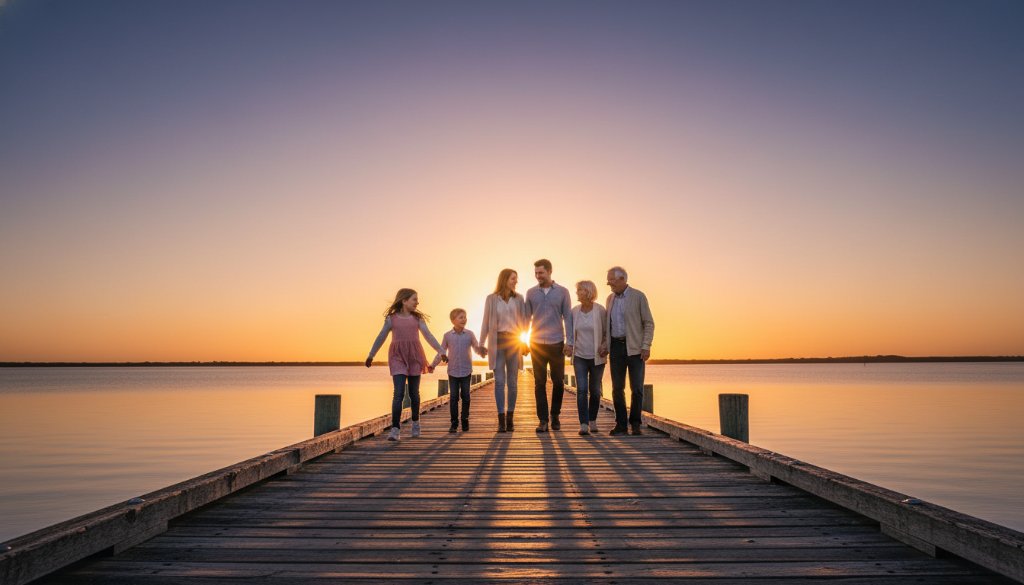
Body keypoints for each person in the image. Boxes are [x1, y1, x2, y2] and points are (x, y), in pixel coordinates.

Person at [366, 288, 446, 442]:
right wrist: (371, 355)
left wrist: (441, 351)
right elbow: (381, 336)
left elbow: (428, 336)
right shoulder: (392, 319)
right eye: (414, 299)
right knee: (398, 393)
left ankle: (416, 422)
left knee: (414, 393)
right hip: (397, 357)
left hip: (415, 356)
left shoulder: (417, 319)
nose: (418, 302)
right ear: (404, 300)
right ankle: (395, 429)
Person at [604, 266, 655, 436]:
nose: (608, 283)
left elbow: (648, 323)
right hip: (616, 347)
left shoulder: (638, 296)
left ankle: (635, 423)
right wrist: (605, 344)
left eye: (611, 280)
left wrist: (646, 345)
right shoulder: (609, 299)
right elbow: (608, 326)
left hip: (635, 347)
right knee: (617, 388)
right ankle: (621, 424)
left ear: (622, 279)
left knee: (637, 388)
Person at [526, 258, 574, 432]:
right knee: (539, 383)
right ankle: (543, 420)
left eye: (541, 272)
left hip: (556, 343)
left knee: (558, 382)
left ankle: (555, 415)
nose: (538, 276)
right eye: (536, 273)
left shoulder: (562, 292)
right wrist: (523, 342)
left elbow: (568, 317)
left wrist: (570, 342)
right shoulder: (531, 293)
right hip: (536, 344)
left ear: (549, 272)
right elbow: (526, 318)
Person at [480, 268, 529, 432]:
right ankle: (501, 419)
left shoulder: (519, 299)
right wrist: (481, 344)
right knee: (499, 382)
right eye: (513, 278)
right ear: (505, 279)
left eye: (516, 278)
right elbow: (485, 322)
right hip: (497, 342)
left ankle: (510, 418)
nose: (516, 281)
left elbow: (523, 322)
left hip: (514, 342)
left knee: (513, 382)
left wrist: (525, 341)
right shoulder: (491, 299)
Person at [431, 308, 487, 433]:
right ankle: (454, 423)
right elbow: (441, 352)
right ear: (453, 320)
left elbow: (476, 347)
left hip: (466, 370)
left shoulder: (470, 334)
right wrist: (433, 365)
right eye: (461, 317)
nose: (464, 319)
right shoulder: (447, 336)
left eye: (465, 317)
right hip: (453, 371)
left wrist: (482, 351)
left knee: (466, 397)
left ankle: (465, 419)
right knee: (454, 397)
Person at [571, 280, 609, 436]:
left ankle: (592, 419)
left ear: (587, 292)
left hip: (596, 357)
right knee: (581, 390)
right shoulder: (574, 312)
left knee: (594, 390)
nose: (577, 293)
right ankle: (584, 424)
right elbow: (570, 335)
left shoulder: (600, 311)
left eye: (579, 290)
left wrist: (605, 346)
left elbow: (607, 332)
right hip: (579, 356)